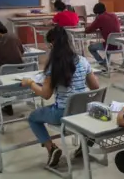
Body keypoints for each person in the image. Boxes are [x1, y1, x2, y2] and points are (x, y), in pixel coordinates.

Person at [22, 26, 100, 167]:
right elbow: (95, 86)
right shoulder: (82, 60)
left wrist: (31, 83)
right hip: (84, 111)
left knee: (33, 117)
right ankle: (84, 144)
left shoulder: (54, 65)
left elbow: (46, 95)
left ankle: (51, 148)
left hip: (63, 114)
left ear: (51, 44)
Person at [85, 2, 121, 67]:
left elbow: (88, 30)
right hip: (120, 44)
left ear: (96, 13)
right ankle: (105, 61)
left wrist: (87, 26)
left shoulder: (100, 18)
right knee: (107, 41)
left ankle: (102, 63)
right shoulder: (114, 15)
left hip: (110, 45)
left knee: (90, 47)